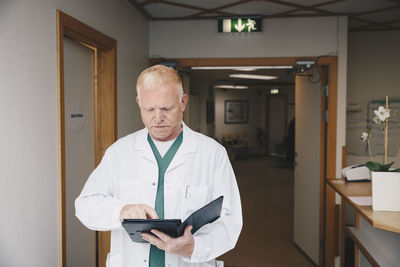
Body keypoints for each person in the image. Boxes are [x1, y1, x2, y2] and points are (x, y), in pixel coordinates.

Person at [75, 65, 243, 267]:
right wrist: (122, 210)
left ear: (183, 102)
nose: (158, 118)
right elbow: (85, 205)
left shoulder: (212, 153)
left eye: (166, 108)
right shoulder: (118, 152)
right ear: (139, 103)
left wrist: (194, 247)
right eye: (149, 109)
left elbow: (229, 220)